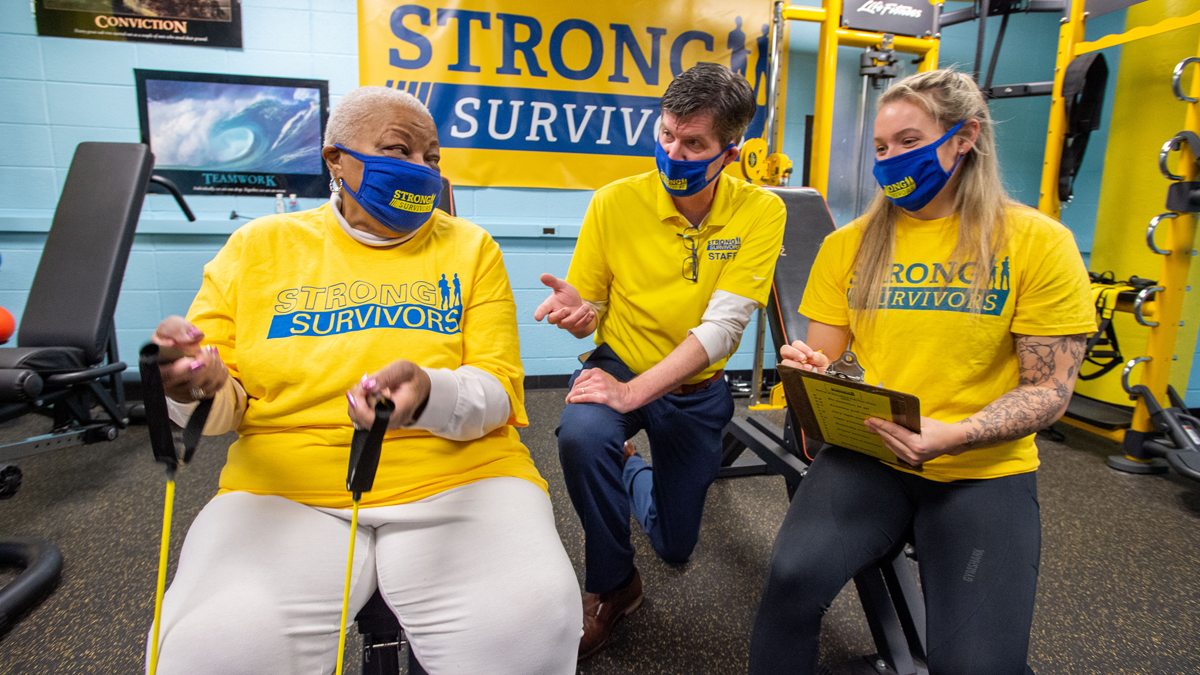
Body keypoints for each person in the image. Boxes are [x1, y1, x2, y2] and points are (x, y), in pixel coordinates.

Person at [147, 86, 581, 675]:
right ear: (335, 158)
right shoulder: (258, 248)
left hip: (461, 480)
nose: (420, 171)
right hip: (288, 487)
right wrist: (191, 388)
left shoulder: (470, 248)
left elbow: (499, 392)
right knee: (216, 647)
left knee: (531, 628)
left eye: (431, 158)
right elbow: (226, 403)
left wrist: (428, 394)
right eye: (398, 150)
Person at [749, 69, 1095, 674]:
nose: (890, 160)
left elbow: (1047, 391)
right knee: (789, 585)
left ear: (966, 137)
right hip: (871, 456)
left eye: (909, 142)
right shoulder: (849, 246)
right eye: (881, 148)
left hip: (980, 470)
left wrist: (954, 434)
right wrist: (813, 367)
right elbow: (836, 364)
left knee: (977, 665)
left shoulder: (1039, 244)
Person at [536, 62, 786, 658]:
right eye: (667, 132)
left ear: (731, 151)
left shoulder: (760, 211)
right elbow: (591, 304)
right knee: (580, 433)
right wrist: (581, 315)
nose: (673, 150)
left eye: (693, 142)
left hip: (695, 388)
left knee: (676, 546)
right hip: (619, 364)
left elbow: (724, 329)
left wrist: (634, 395)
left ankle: (629, 465)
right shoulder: (614, 202)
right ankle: (613, 585)